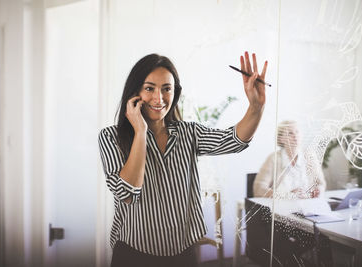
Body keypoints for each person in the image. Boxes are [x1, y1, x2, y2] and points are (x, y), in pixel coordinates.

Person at [98, 52, 268, 267]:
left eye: (166, 89)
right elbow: (127, 192)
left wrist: (256, 107)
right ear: (135, 92)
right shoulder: (110, 137)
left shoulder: (189, 133)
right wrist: (140, 132)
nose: (159, 99)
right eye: (149, 88)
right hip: (134, 254)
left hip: (183, 254)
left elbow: (233, 141)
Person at [253, 120, 326, 199]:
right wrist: (287, 195)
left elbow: (321, 184)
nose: (295, 136)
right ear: (281, 139)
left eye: (297, 132)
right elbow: (259, 189)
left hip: (307, 204)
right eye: (290, 133)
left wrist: (318, 191)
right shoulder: (273, 158)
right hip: (281, 206)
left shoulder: (309, 156)